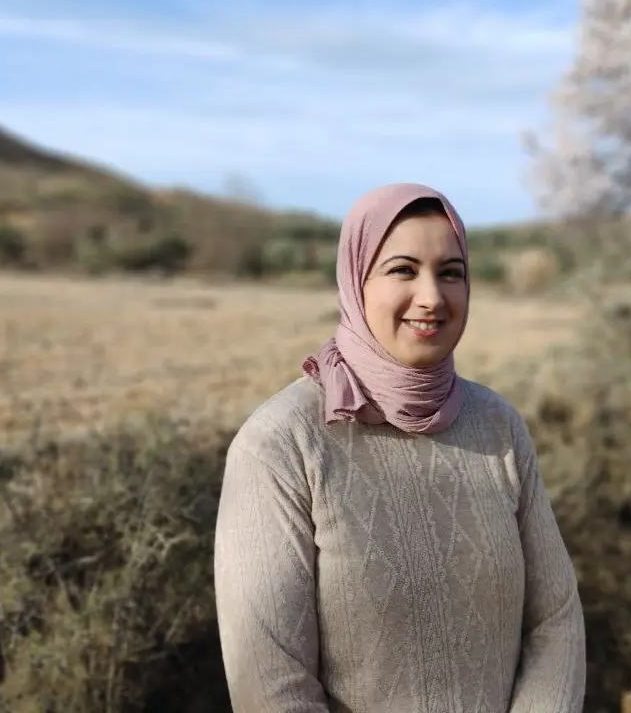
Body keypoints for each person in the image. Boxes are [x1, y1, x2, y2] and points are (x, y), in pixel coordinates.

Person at [214, 183, 586, 712]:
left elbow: (556, 619)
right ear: (355, 282)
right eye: (403, 270)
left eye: (451, 273)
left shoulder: (496, 425)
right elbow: (269, 682)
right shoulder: (281, 443)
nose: (432, 297)